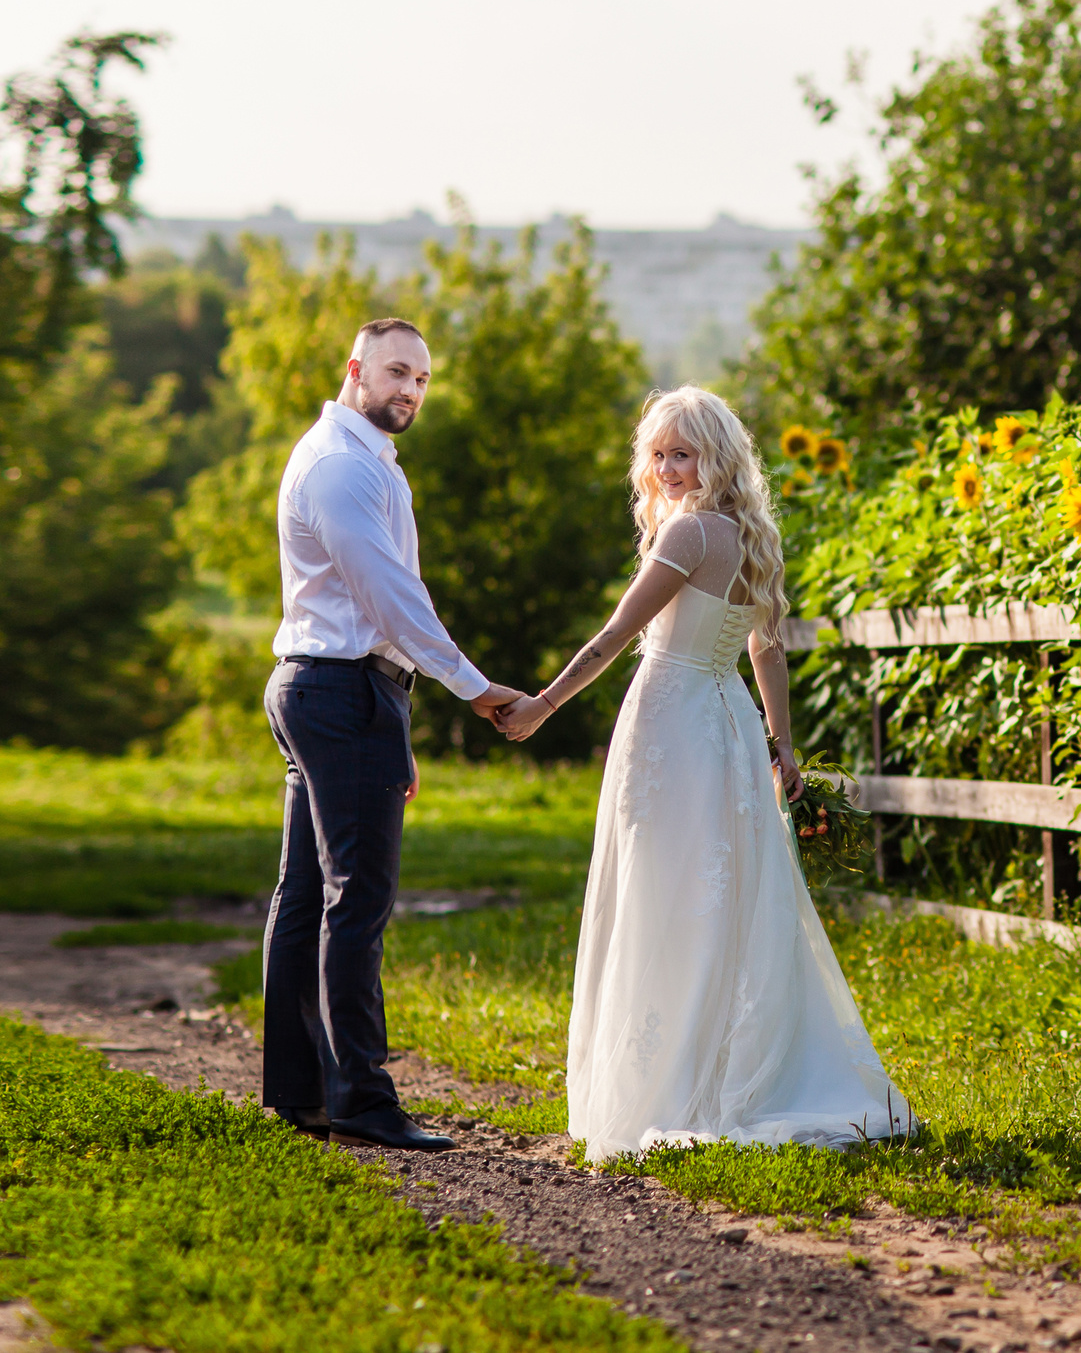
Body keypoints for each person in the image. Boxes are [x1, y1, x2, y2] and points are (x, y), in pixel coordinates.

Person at [496, 386, 907, 1155]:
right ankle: (718, 1062)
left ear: (715, 456)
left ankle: (677, 1081)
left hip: (673, 721)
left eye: (682, 452)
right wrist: (781, 744)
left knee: (665, 889)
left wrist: (543, 704)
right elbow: (765, 651)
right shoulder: (752, 537)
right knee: (716, 894)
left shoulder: (686, 538)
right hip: (727, 726)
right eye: (656, 454)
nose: (667, 468)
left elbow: (620, 631)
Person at [264, 317, 529, 1151]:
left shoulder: (364, 461)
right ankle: (363, 1104)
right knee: (356, 899)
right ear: (355, 370)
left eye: (420, 378)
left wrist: (399, 722)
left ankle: (302, 1094)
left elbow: (375, 615)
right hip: (337, 692)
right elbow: (388, 597)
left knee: (309, 893)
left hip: (340, 691)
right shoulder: (342, 467)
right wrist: (475, 688)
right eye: (395, 372)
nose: (409, 390)